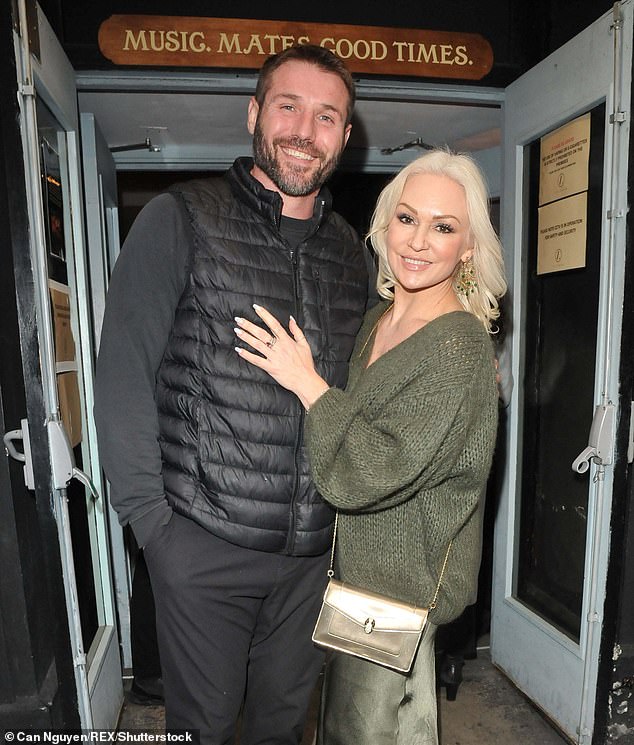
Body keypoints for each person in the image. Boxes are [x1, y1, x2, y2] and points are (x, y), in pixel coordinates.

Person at [94, 44, 374, 744]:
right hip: (202, 545)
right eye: (288, 106)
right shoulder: (179, 217)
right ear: (254, 113)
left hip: (312, 559)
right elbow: (123, 374)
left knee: (282, 728)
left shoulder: (353, 253)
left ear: (345, 135)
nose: (305, 130)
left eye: (327, 116)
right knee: (209, 728)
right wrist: (157, 532)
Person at [233, 149, 507, 745]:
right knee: (364, 727)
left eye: (443, 227)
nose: (418, 241)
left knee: (364, 730)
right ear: (384, 225)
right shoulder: (380, 318)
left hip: (399, 588)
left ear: (467, 249)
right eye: (407, 219)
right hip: (356, 574)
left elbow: (371, 467)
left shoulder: (456, 346)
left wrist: (307, 383)